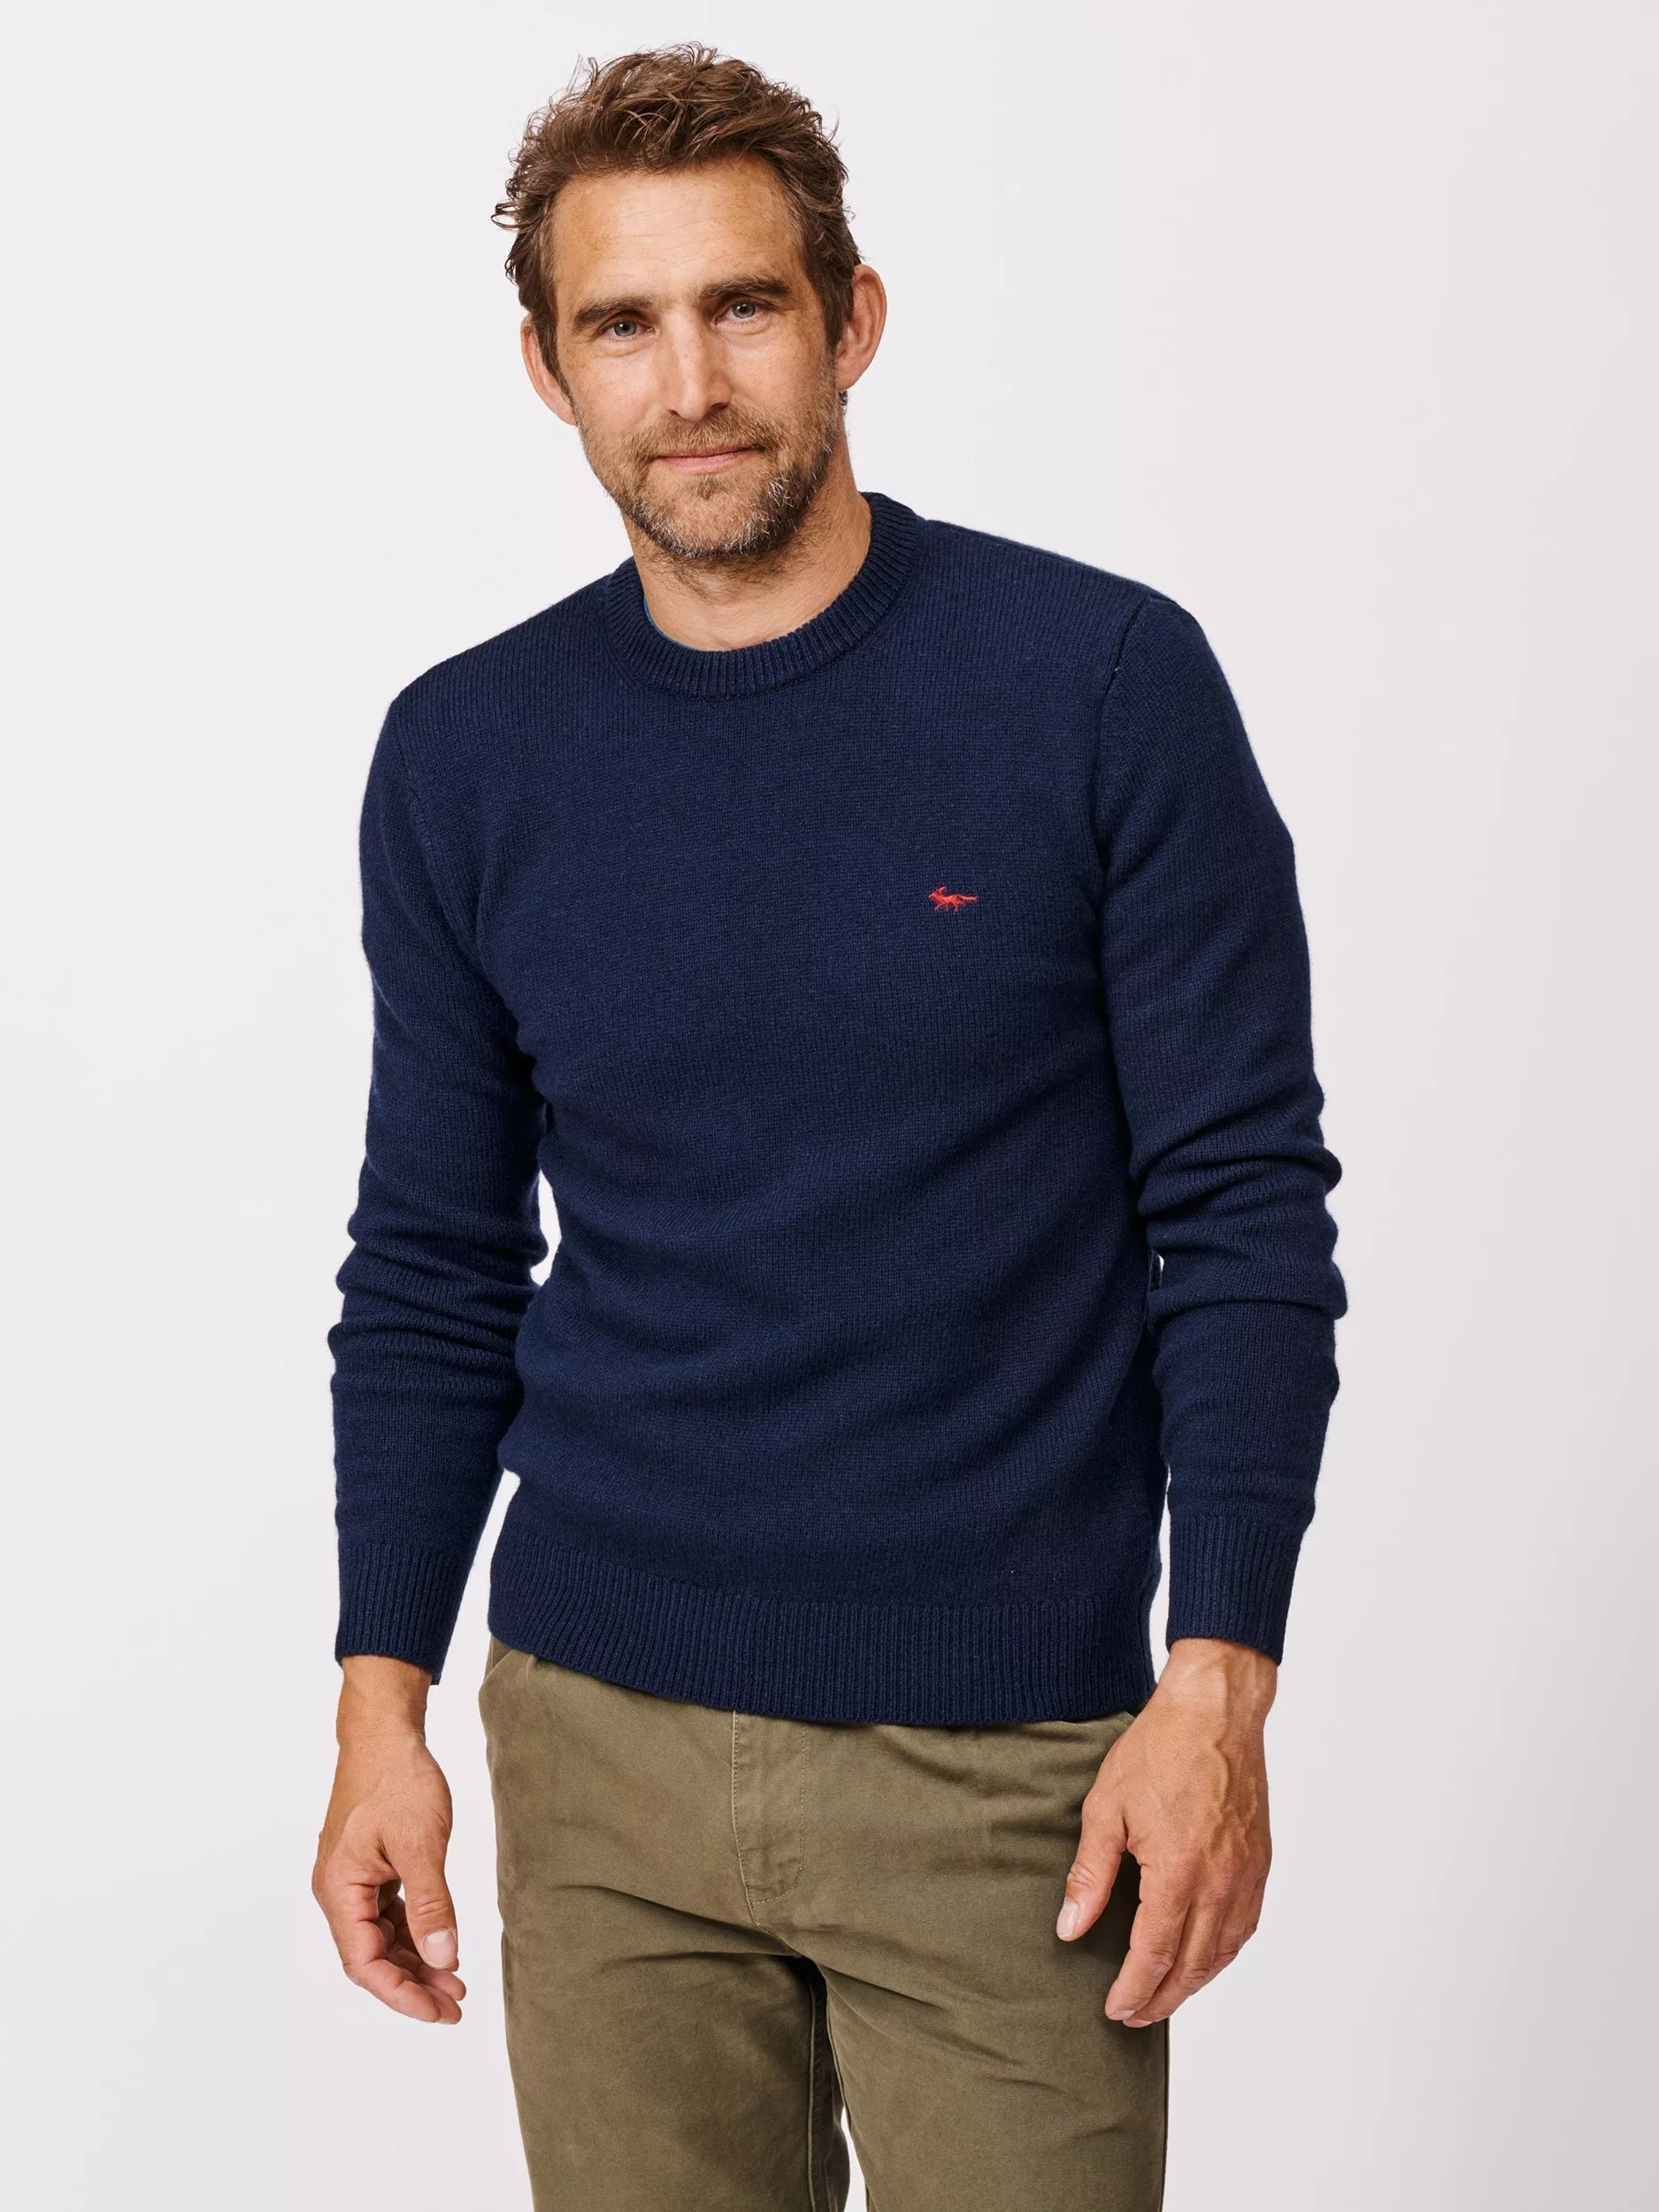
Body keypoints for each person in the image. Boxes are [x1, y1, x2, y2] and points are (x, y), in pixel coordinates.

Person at [311, 43, 1345, 2212]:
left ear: (850, 318)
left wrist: (1216, 1688)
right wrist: (375, 1703)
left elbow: (1241, 1214)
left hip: (1012, 1770)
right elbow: (430, 1258)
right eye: (623, 323)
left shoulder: (1099, 687)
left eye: (744, 306)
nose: (690, 383)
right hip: (595, 1750)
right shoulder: (466, 755)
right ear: (549, 370)